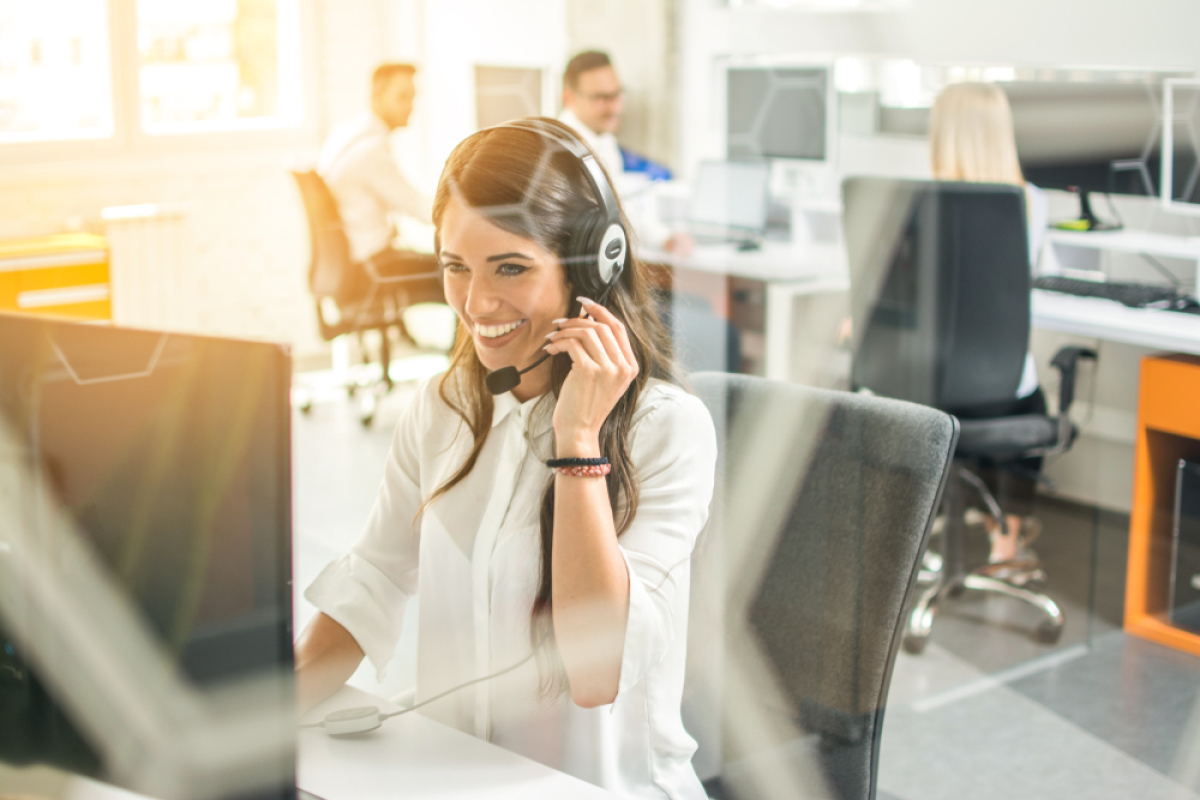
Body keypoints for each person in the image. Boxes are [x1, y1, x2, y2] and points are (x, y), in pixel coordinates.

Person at [295, 117, 718, 799]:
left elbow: (594, 672)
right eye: (455, 266)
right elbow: (372, 578)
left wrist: (578, 443)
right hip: (459, 778)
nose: (475, 302)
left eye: (511, 267)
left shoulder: (667, 431)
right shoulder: (444, 406)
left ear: (593, 265)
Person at [928, 82, 1049, 569]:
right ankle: (1006, 540)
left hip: (927, 386)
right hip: (1001, 387)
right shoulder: (1034, 203)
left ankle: (918, 523)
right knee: (1032, 398)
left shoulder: (921, 199)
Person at [317, 63, 442, 310]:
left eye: (413, 98)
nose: (411, 106)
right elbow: (419, 208)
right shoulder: (370, 151)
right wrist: (470, 212)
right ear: (376, 95)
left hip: (349, 264)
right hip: (373, 267)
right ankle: (462, 350)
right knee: (459, 274)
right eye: (402, 97)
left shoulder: (344, 134)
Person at [559, 51, 688, 254]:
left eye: (617, 94)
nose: (615, 107)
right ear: (569, 97)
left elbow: (621, 204)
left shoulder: (604, 140)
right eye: (601, 98)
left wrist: (664, 237)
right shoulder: (561, 149)